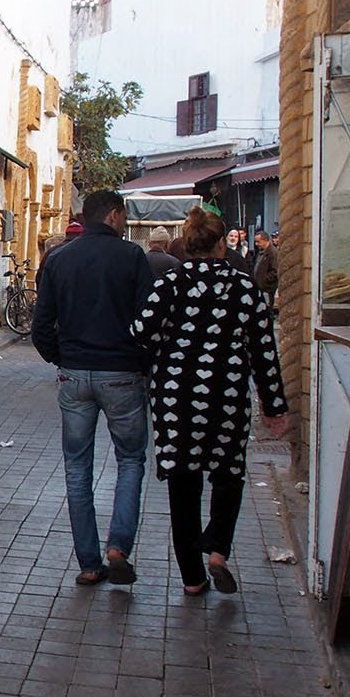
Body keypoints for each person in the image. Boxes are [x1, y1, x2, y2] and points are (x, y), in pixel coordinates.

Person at [132, 206, 289, 595]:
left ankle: (192, 579)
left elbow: (139, 331)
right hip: (227, 396)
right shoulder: (244, 288)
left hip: (176, 398)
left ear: (187, 244)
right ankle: (218, 548)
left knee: (183, 485)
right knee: (228, 474)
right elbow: (264, 352)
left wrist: (166, 352)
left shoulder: (170, 284)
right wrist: (274, 406)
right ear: (222, 244)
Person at [32, 190, 154, 587]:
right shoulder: (132, 257)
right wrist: (141, 363)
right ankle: (118, 545)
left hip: (75, 373)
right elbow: (149, 322)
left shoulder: (60, 258)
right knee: (131, 460)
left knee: (76, 467)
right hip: (121, 373)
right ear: (115, 215)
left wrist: (62, 358)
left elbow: (41, 325)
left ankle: (89, 562)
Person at [250, 229, 279, 304]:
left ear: (265, 240)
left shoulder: (273, 253)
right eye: (255, 242)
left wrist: (263, 281)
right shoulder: (259, 252)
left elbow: (275, 271)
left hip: (267, 290)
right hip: (258, 288)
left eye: (258, 242)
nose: (256, 244)